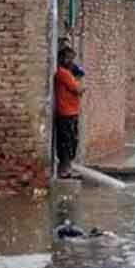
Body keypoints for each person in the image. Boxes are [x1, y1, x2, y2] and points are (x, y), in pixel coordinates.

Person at [54, 47, 85, 179]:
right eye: (67, 58)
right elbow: (78, 89)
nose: (70, 61)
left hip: (71, 112)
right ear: (60, 58)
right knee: (66, 143)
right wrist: (79, 85)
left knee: (71, 142)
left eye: (71, 58)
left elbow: (81, 76)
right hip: (66, 112)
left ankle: (67, 168)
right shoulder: (63, 73)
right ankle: (64, 170)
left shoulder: (68, 72)